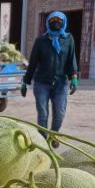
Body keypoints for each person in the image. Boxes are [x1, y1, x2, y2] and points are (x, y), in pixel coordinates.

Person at [20, 11, 79, 147]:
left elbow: (71, 59)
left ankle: (53, 135)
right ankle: (42, 139)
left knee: (60, 113)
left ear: (63, 22)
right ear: (48, 23)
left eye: (59, 20)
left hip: (61, 83)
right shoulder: (41, 40)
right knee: (43, 113)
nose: (56, 22)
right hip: (42, 83)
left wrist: (74, 78)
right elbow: (33, 63)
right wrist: (25, 82)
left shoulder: (68, 39)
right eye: (53, 20)